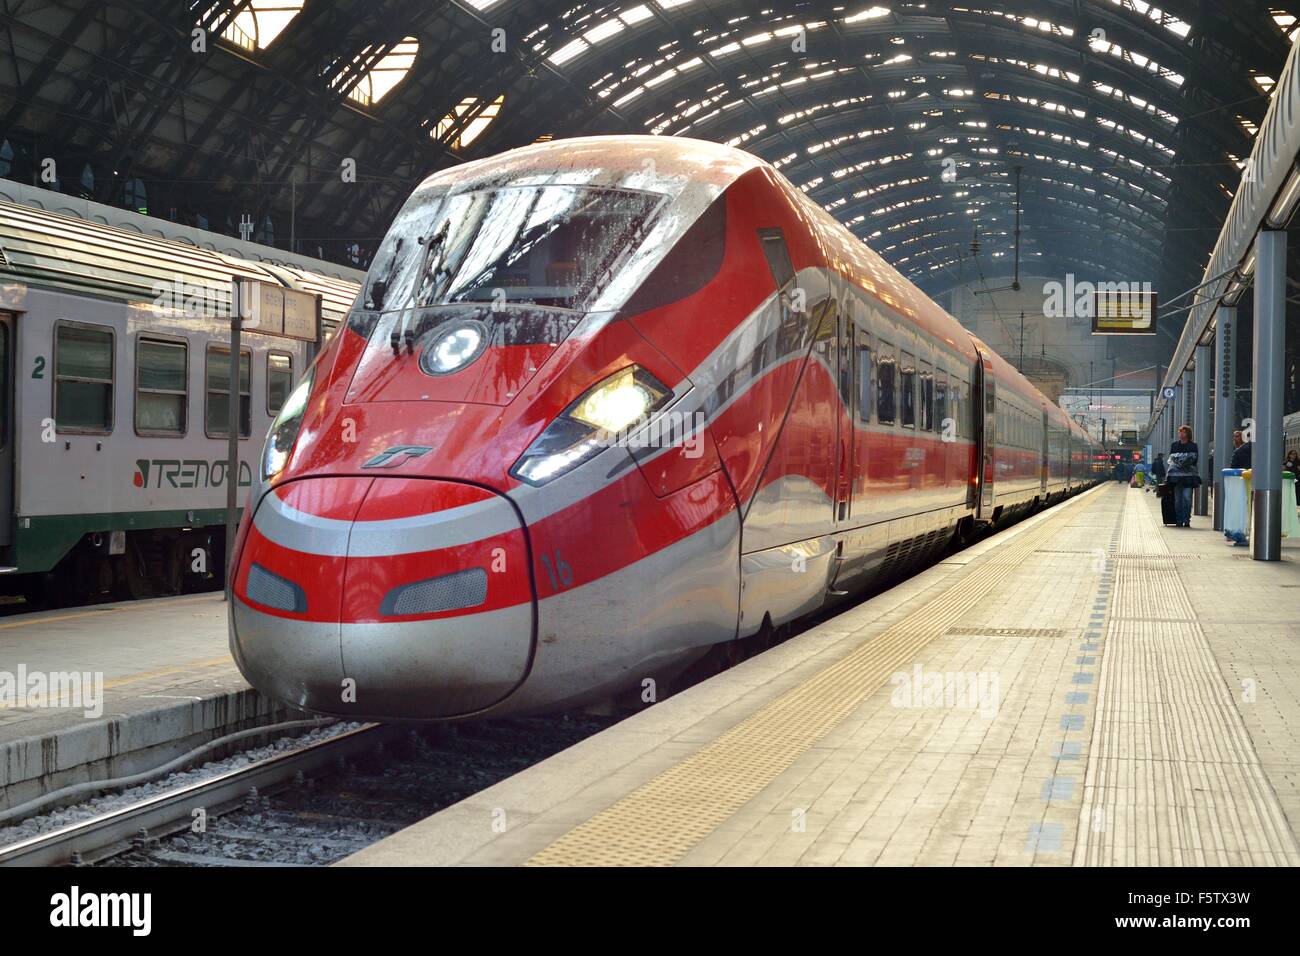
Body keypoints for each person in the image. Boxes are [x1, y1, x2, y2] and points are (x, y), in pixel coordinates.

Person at [1167, 425, 1199, 527]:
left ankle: (1187, 519)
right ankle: (1179, 520)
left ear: (1188, 434)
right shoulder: (1174, 445)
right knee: (1177, 500)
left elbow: (1193, 459)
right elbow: (1171, 459)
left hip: (1188, 477)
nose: (1181, 434)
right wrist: (1184, 458)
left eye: (1183, 432)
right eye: (1180, 432)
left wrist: (1179, 459)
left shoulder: (1193, 445)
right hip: (1176, 477)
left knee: (1187, 499)